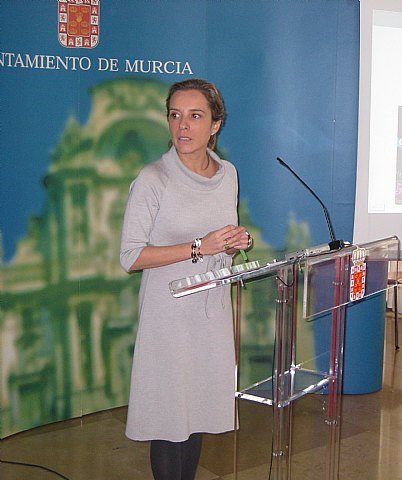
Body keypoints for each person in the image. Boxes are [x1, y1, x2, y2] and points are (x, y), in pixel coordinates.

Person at [120, 78, 251, 480]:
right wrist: (200, 247)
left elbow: (221, 240)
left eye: (195, 116)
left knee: (196, 413)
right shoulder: (153, 178)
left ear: (215, 124)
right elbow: (131, 256)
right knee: (169, 419)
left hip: (210, 313)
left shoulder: (228, 173)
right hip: (168, 316)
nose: (182, 126)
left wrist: (233, 243)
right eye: (175, 115)